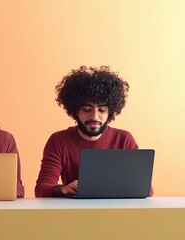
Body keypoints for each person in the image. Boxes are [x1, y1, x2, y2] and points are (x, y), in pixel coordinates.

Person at [35, 66, 151, 197]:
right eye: (87, 109)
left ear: (110, 112)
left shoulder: (124, 139)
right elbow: (41, 189)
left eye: (101, 110)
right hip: (75, 213)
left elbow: (147, 190)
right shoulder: (59, 140)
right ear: (75, 111)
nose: (95, 116)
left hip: (117, 213)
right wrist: (63, 189)